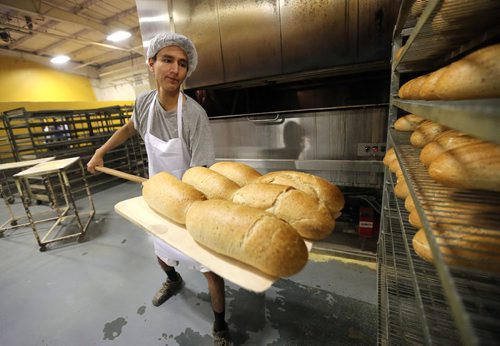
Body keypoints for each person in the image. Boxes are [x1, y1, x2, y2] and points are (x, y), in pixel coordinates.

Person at [86, 32, 231, 345]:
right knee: (161, 251)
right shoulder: (143, 104)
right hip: (155, 196)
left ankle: (220, 326)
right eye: (167, 60)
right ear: (151, 63)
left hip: (193, 202)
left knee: (210, 270)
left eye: (182, 63)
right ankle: (173, 279)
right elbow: (129, 127)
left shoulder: (194, 115)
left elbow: (204, 173)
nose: (175, 69)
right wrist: (101, 151)